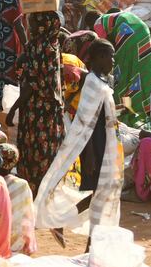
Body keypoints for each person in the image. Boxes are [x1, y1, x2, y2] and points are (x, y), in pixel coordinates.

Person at [35, 39, 123, 248]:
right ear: (99, 58)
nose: (113, 60)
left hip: (105, 142)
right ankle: (81, 237)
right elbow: (86, 120)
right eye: (110, 56)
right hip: (95, 144)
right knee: (100, 192)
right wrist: (90, 152)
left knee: (100, 192)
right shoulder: (92, 82)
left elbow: (100, 115)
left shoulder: (101, 82)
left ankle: (86, 241)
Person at [6, 11, 64, 192]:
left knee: (33, 150)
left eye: (32, 25)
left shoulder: (38, 46)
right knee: (47, 151)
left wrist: (13, 109)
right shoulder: (53, 44)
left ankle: (32, 192)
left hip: (35, 108)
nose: (30, 29)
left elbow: (31, 83)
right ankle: (45, 191)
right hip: (51, 109)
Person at [94, 11, 151, 125]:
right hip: (143, 31)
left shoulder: (97, 24)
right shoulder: (119, 17)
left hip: (128, 35)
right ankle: (150, 108)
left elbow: (106, 46)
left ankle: (124, 109)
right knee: (143, 70)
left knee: (123, 76)